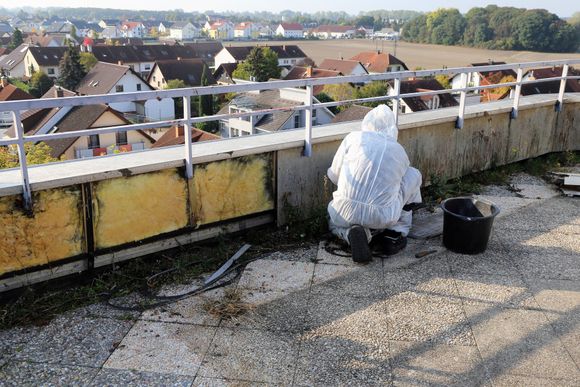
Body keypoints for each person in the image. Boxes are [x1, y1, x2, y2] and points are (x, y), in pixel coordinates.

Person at [327, 104, 422, 263]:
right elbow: (399, 184)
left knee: (332, 221)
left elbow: (334, 175)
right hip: (383, 216)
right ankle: (395, 234)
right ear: (393, 128)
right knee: (413, 174)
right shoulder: (399, 151)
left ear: (366, 123)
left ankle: (351, 235)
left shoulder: (352, 138)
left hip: (343, 211)